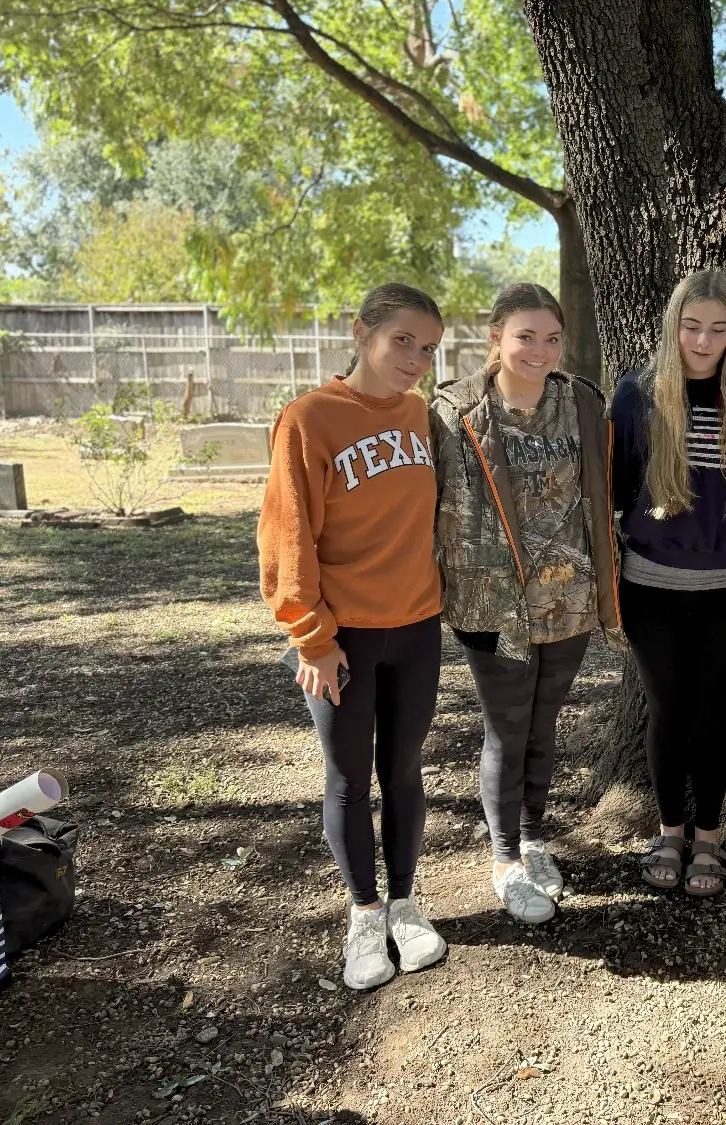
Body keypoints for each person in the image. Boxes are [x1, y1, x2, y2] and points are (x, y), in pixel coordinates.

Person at [258, 282, 448, 991]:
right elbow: (287, 537)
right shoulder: (309, 418)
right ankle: (364, 914)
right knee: (347, 778)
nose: (416, 359)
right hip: (343, 640)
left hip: (417, 626)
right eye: (403, 340)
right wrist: (311, 638)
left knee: (403, 770)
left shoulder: (423, 415)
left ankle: (404, 902)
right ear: (361, 332)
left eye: (428, 348)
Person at [429, 283, 623, 925]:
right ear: (496, 338)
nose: (539, 350)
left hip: (568, 597)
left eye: (551, 338)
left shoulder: (581, 402)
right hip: (493, 603)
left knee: (543, 725)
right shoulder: (455, 411)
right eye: (525, 337)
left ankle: (533, 839)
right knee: (507, 728)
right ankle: (505, 859)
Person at [610, 268, 726, 897]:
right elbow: (618, 483)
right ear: (672, 327)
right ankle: (669, 832)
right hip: (651, 585)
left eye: (717, 329)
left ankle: (708, 838)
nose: (703, 342)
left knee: (711, 711)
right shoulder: (637, 394)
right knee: (666, 710)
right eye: (691, 327)